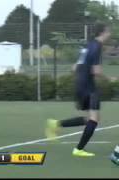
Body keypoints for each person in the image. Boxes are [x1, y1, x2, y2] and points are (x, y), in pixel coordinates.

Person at [45, 23, 111, 157]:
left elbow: (74, 67)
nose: (109, 34)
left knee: (90, 119)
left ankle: (56, 124)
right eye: (108, 31)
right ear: (103, 33)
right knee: (94, 119)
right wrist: (110, 79)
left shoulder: (88, 45)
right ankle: (79, 149)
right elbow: (96, 70)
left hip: (81, 84)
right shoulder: (97, 46)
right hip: (88, 86)